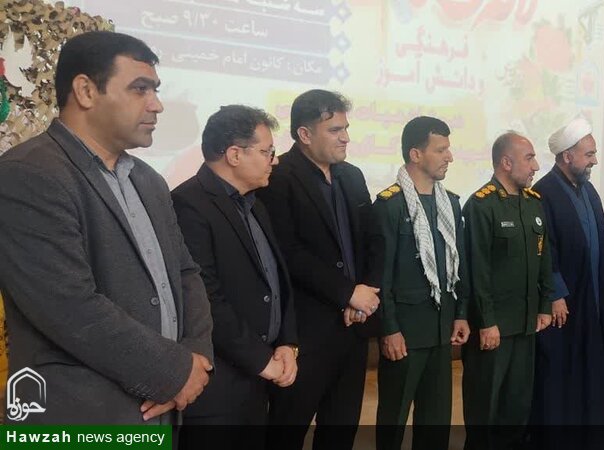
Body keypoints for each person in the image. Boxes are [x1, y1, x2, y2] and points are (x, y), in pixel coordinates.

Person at [0, 31, 213, 424]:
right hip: (80, 416)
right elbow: (70, 308)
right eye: (140, 89)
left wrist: (196, 358)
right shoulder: (28, 174)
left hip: (161, 406)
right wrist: (175, 372)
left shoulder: (148, 180)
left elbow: (185, 273)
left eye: (156, 90)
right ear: (85, 91)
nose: (157, 104)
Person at [259, 89, 382, 450]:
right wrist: (346, 293)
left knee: (341, 430)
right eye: (335, 130)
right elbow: (287, 252)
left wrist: (365, 295)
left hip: (354, 327)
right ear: (304, 134)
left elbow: (375, 240)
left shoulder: (352, 176)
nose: (345, 137)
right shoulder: (278, 176)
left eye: (346, 128)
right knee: (287, 431)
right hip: (306, 333)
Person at [171, 105, 298, 448]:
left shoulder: (254, 204)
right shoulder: (188, 204)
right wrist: (261, 359)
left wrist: (286, 342)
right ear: (234, 155)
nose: (274, 160)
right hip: (217, 390)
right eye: (267, 151)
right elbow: (204, 297)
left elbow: (277, 280)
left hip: (257, 382)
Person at [373, 116, 470, 450]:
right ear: (416, 154)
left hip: (441, 332)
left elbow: (459, 266)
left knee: (436, 420)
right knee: (394, 419)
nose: (449, 157)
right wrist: (389, 328)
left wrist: (461, 313)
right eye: (440, 150)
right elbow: (381, 276)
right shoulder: (390, 205)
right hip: (404, 333)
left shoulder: (450, 203)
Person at [462, 131, 554, 450]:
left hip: (526, 324)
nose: (536, 166)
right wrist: (486, 321)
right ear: (506, 162)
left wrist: (545, 305)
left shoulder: (533, 203)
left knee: (517, 407)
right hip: (494, 328)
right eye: (529, 158)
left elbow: (544, 258)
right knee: (485, 406)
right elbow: (476, 271)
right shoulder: (481, 205)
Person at [528, 116, 604, 449]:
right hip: (565, 303)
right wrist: (555, 293)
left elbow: (601, 240)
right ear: (567, 156)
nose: (595, 160)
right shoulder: (543, 192)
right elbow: (543, 249)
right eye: (589, 154)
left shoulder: (588, 189)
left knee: (592, 368)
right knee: (562, 372)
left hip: (593, 298)